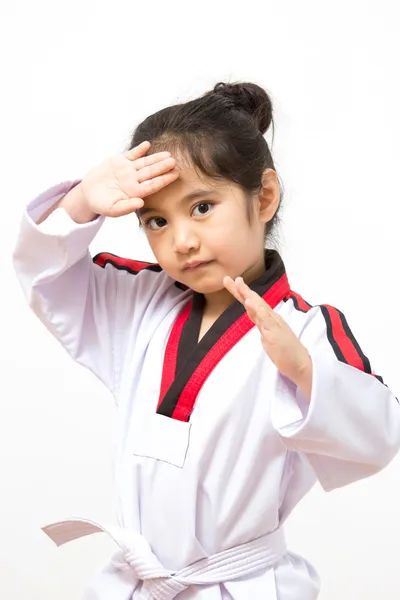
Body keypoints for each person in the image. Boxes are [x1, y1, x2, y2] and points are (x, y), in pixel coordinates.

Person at [12, 81, 400, 600]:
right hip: (141, 583)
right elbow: (46, 278)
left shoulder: (307, 330)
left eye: (201, 208)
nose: (182, 241)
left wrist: (305, 372)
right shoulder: (139, 302)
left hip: (244, 586)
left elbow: (378, 436)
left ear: (263, 196)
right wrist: (83, 200)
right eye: (156, 220)